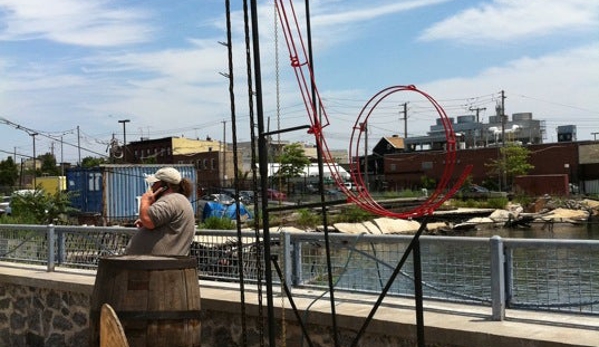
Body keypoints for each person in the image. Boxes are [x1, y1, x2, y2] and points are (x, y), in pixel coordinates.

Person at [125, 167, 195, 256]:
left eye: (155, 183)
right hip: (155, 264)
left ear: (165, 186)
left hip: (157, 265)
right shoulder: (177, 200)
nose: (152, 186)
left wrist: (145, 201)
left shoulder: (171, 200)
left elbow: (148, 219)